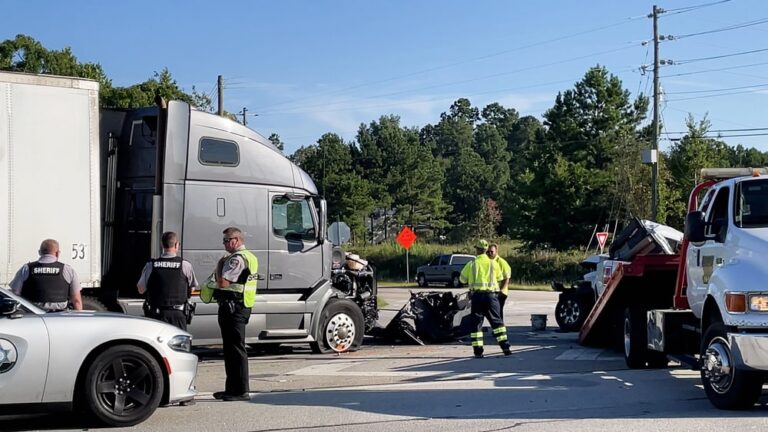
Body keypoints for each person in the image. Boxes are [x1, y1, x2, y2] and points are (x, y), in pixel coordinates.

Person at [200, 227, 258, 402]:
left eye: (227, 240)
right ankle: (231, 389)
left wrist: (219, 266)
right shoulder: (248, 256)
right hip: (237, 306)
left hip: (234, 307)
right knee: (231, 349)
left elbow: (223, 283)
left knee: (235, 349)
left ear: (236, 240)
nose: (224, 243)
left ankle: (240, 390)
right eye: (224, 240)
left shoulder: (237, 259)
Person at [459, 239, 511, 358]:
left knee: (477, 324)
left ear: (476, 250)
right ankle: (506, 348)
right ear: (486, 250)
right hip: (491, 296)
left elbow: (462, 279)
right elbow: (500, 277)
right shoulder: (494, 263)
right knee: (497, 322)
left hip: (477, 296)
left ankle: (478, 351)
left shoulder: (471, 264)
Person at [137, 231, 199, 331]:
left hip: (157, 315)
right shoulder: (185, 265)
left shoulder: (151, 265)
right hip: (178, 315)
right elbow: (191, 289)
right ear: (176, 245)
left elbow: (141, 289)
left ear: (162, 244)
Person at [9, 239, 82, 312]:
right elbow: (76, 301)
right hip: (60, 317)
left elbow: (14, 294)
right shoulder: (67, 269)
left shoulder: (26, 268)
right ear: (57, 253)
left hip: (33, 316)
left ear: (39, 252)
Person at [487, 243, 512, 316]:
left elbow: (506, 278)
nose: (489, 253)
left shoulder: (501, 262)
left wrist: (500, 291)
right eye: (488, 252)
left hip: (500, 293)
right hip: (492, 292)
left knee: (497, 313)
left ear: (496, 252)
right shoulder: (488, 261)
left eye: (492, 251)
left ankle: (500, 327)